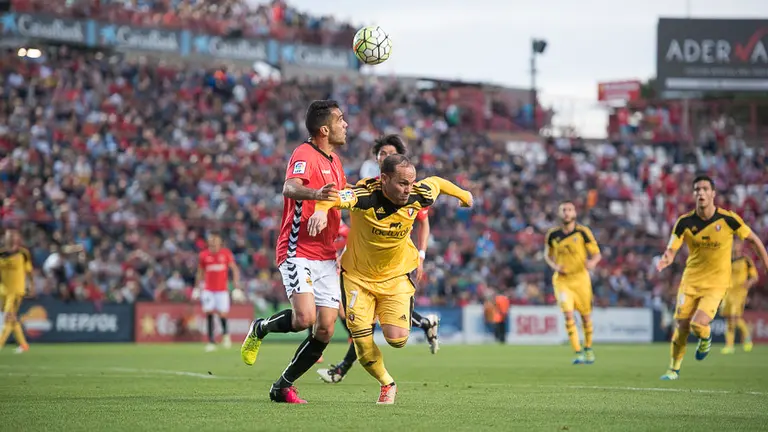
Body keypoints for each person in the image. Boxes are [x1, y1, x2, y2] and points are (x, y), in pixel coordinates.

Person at [306, 154, 473, 404]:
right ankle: (387, 383)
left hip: (395, 276)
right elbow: (334, 197)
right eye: (402, 183)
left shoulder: (419, 193)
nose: (409, 189)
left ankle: (413, 322)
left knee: (397, 339)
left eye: (411, 182)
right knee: (362, 344)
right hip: (358, 279)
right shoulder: (365, 196)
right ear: (384, 179)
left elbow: (437, 182)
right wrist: (320, 211)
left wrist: (463, 195)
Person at [240, 100, 347, 404]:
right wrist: (315, 195)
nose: (346, 125)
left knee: (325, 329)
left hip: (326, 254)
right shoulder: (304, 154)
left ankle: (281, 387)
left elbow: (340, 194)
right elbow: (289, 187)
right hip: (297, 248)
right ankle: (259, 327)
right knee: (304, 319)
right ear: (324, 129)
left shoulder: (335, 161)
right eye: (340, 120)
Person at [317, 135, 439, 385]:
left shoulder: (409, 191)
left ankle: (342, 369)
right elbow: (358, 225)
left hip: (395, 262)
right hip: (364, 266)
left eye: (389, 153)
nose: (384, 157)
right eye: (381, 154)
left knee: (371, 325)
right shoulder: (367, 187)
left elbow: (423, 222)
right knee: (362, 323)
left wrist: (421, 254)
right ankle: (424, 322)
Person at [657, 175, 768, 380]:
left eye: (705, 189)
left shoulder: (729, 219)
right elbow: (672, 248)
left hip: (716, 285)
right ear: (693, 194)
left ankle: (706, 339)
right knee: (681, 326)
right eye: (697, 189)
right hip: (690, 281)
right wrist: (667, 258)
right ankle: (673, 369)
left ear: (713, 194)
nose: (701, 192)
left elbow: (753, 240)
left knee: (698, 325)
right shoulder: (684, 222)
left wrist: (766, 264)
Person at [544, 201, 602, 364]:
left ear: (575, 213)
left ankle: (588, 348)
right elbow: (547, 255)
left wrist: (592, 263)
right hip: (562, 280)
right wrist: (555, 266)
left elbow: (597, 254)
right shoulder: (552, 235)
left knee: (585, 317)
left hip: (581, 279)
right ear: (559, 213)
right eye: (563, 210)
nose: (566, 213)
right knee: (568, 314)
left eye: (569, 210)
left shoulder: (583, 232)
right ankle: (577, 352)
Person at [196, 232, 240, 352]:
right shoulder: (204, 255)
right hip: (208, 290)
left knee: (222, 314)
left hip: (222, 290)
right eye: (212, 241)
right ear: (209, 242)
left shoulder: (225, 254)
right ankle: (211, 341)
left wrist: (236, 286)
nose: (214, 243)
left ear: (220, 243)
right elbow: (200, 272)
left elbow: (234, 269)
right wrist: (196, 288)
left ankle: (226, 336)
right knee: (209, 312)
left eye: (216, 241)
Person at [721, 240, 758, 354]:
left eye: (736, 244)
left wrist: (748, 284)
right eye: (733, 244)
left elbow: (754, 277)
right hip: (728, 292)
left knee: (734, 316)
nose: (734, 246)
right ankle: (731, 344)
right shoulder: (727, 260)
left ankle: (743, 340)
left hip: (739, 293)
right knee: (729, 318)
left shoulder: (745, 260)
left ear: (740, 246)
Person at [0, 229, 32, 353]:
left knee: (8, 318)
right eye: (8, 236)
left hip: (16, 291)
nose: (11, 238)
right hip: (3, 291)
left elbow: (29, 271)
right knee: (12, 319)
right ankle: (24, 345)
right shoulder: (1, 253)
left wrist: (32, 286)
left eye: (13, 236)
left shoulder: (23, 253)